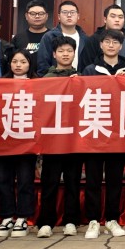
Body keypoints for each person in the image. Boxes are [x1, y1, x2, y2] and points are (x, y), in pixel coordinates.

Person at [81, 29, 125, 239]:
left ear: (121, 46)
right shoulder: (90, 69)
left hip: (118, 133)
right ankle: (93, 220)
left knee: (114, 179)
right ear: (101, 45)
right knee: (93, 179)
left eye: (115, 42)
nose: (111, 45)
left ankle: (112, 219)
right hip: (94, 131)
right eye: (107, 42)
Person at [37, 36, 84, 238]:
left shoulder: (81, 79)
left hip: (74, 140)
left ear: (74, 54)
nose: (66, 54)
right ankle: (46, 222)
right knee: (50, 182)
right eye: (61, 51)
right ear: (54, 54)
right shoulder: (45, 80)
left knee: (73, 181)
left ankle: (71, 220)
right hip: (52, 140)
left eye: (69, 51)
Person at [0, 49, 38, 238]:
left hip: (28, 140)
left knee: (25, 180)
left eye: (23, 61)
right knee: (3, 179)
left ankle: (23, 217)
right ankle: (6, 217)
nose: (18, 65)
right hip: (4, 140)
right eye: (14, 61)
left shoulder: (38, 84)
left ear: (30, 64)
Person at [37, 0, 90, 76]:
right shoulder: (49, 36)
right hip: (55, 80)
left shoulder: (85, 39)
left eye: (72, 12)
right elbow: (43, 65)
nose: (69, 15)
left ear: (78, 16)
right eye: (65, 12)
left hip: (79, 80)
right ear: (59, 16)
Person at [79, 3, 125, 71]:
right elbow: (86, 65)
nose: (117, 20)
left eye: (120, 17)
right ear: (105, 19)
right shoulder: (94, 40)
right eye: (113, 16)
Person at [11, 0, 50, 69]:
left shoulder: (53, 36)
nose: (37, 16)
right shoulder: (18, 38)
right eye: (32, 13)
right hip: (25, 75)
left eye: (41, 13)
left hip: (48, 75)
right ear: (26, 16)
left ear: (47, 16)